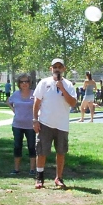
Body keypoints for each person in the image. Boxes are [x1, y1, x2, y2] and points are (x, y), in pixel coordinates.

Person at [33, 57, 78, 189]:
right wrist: (35, 120)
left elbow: (73, 103)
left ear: (64, 69)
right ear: (51, 69)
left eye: (59, 67)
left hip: (62, 125)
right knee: (42, 151)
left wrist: (62, 89)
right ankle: (39, 177)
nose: (57, 69)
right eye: (55, 67)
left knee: (61, 152)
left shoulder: (68, 85)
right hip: (45, 123)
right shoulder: (44, 83)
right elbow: (36, 102)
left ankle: (59, 178)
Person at [8, 74, 37, 175]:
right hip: (17, 125)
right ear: (19, 84)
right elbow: (8, 102)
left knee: (31, 146)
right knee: (17, 146)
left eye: (26, 81)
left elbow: (40, 105)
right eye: (22, 82)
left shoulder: (34, 94)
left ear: (30, 83)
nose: (24, 84)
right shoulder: (15, 94)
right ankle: (16, 169)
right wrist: (14, 110)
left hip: (31, 125)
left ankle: (32, 169)